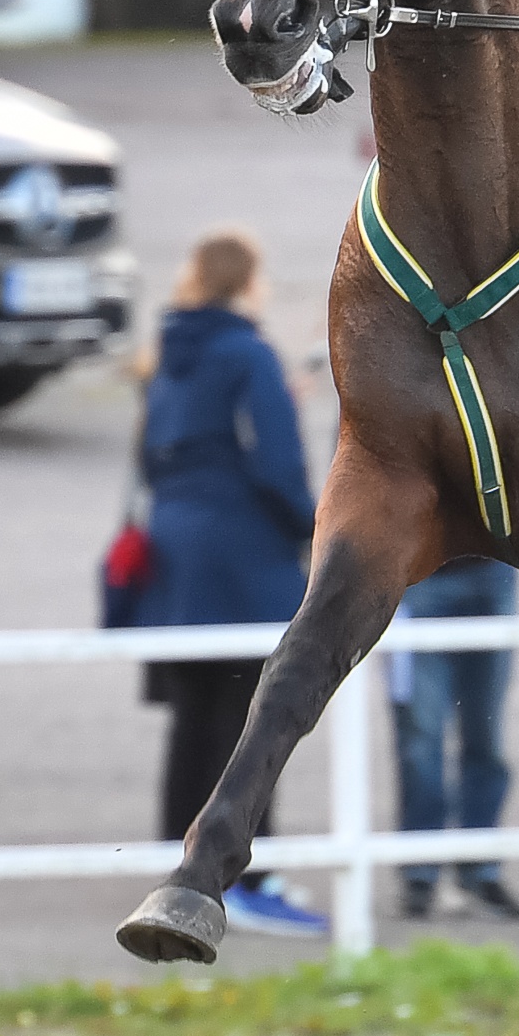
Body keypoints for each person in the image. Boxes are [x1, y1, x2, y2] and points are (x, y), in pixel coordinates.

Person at [132, 227, 328, 937]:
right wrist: (313, 531)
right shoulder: (248, 353)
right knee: (253, 721)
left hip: (175, 554)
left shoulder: (168, 353)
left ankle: (173, 869)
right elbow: (277, 465)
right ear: (247, 282)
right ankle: (244, 877)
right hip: (243, 559)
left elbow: (153, 460)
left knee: (194, 721)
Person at [390, 557, 519, 921]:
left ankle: (480, 867)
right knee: (420, 741)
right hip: (418, 578)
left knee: (486, 738)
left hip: (492, 571)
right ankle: (420, 869)